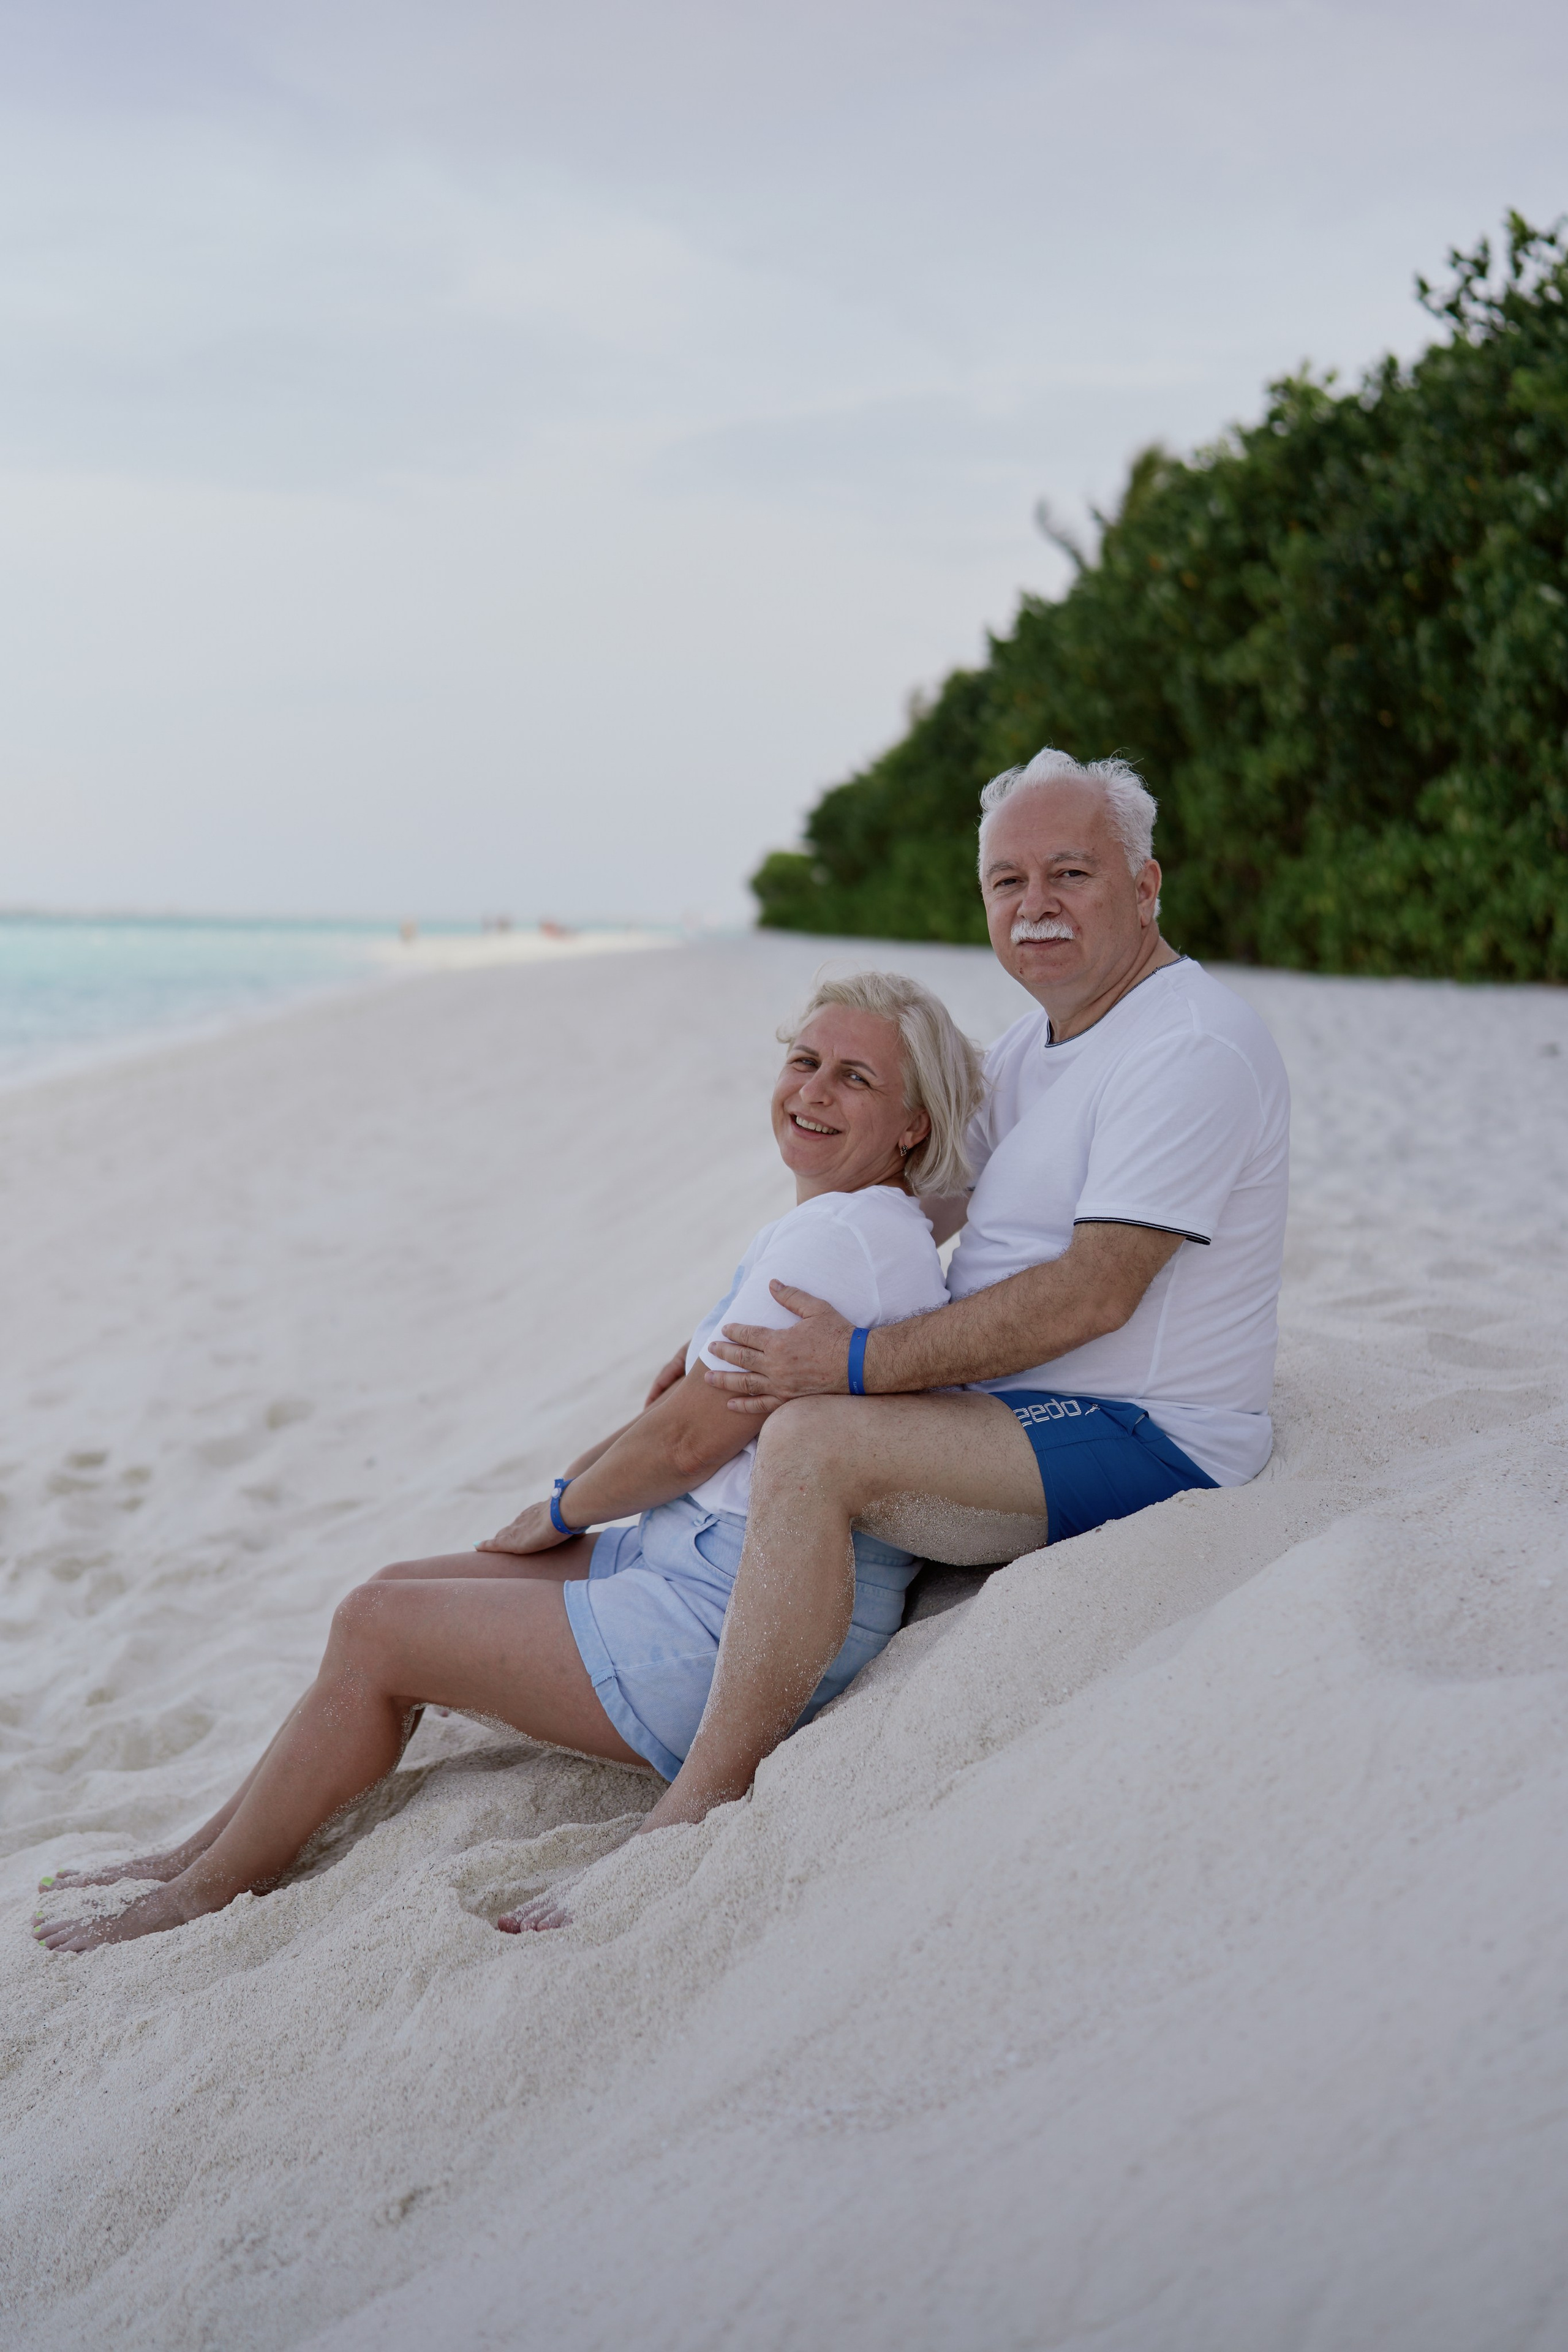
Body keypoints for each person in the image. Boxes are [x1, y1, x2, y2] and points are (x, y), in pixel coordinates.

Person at [33, 972, 984, 1952]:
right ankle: (196, 1851)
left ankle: (199, 1896)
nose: (815, 1091)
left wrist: (565, 1507)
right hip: (694, 1552)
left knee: (378, 1625)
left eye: (856, 1078)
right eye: (804, 1061)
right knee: (395, 1586)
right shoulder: (859, 1225)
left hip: (730, 1614)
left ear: (913, 1124)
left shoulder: (845, 1237)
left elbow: (688, 1439)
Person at [596, 745, 1291, 1878]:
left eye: (1070, 874)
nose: (1037, 908)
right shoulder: (1035, 1043)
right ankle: (641, 1597)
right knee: (767, 1390)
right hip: (1017, 1414)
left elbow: (1097, 1289)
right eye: (1008, 883)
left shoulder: (1190, 1047)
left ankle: (699, 1801)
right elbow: (924, 1199)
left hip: (1149, 1437)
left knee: (813, 1435)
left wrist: (855, 1361)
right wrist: (741, 1317)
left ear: (1147, 885)